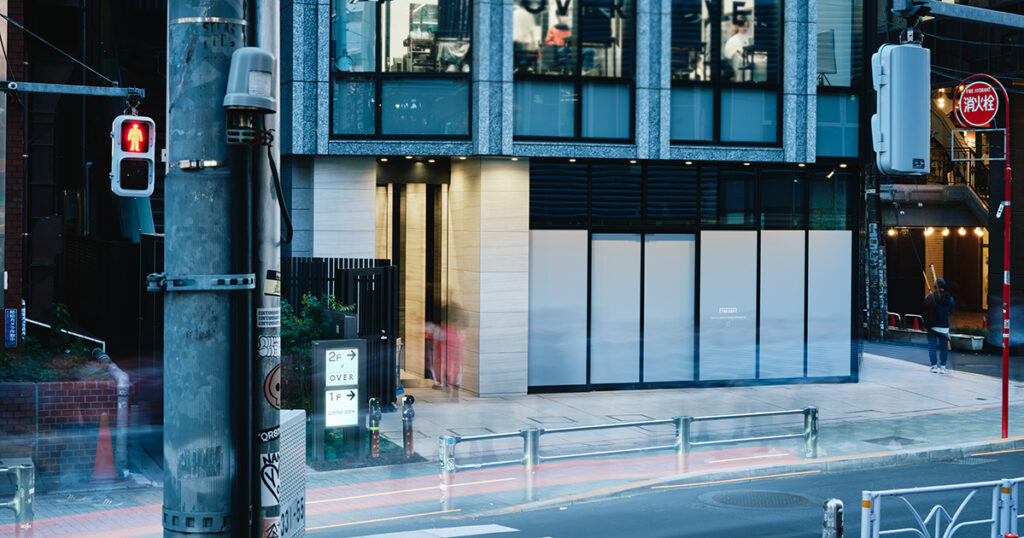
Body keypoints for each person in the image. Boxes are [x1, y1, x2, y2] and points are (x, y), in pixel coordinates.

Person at [923, 278, 955, 373]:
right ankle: (943, 367)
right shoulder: (950, 298)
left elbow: (924, 309)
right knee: (943, 348)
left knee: (932, 347)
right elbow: (951, 310)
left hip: (932, 326)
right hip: (944, 326)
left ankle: (933, 366)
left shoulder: (930, 297)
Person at [722, 16, 750, 81]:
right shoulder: (733, 39)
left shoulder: (748, 38)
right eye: (743, 26)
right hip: (738, 64)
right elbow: (727, 53)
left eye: (747, 26)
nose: (745, 28)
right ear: (738, 27)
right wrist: (737, 50)